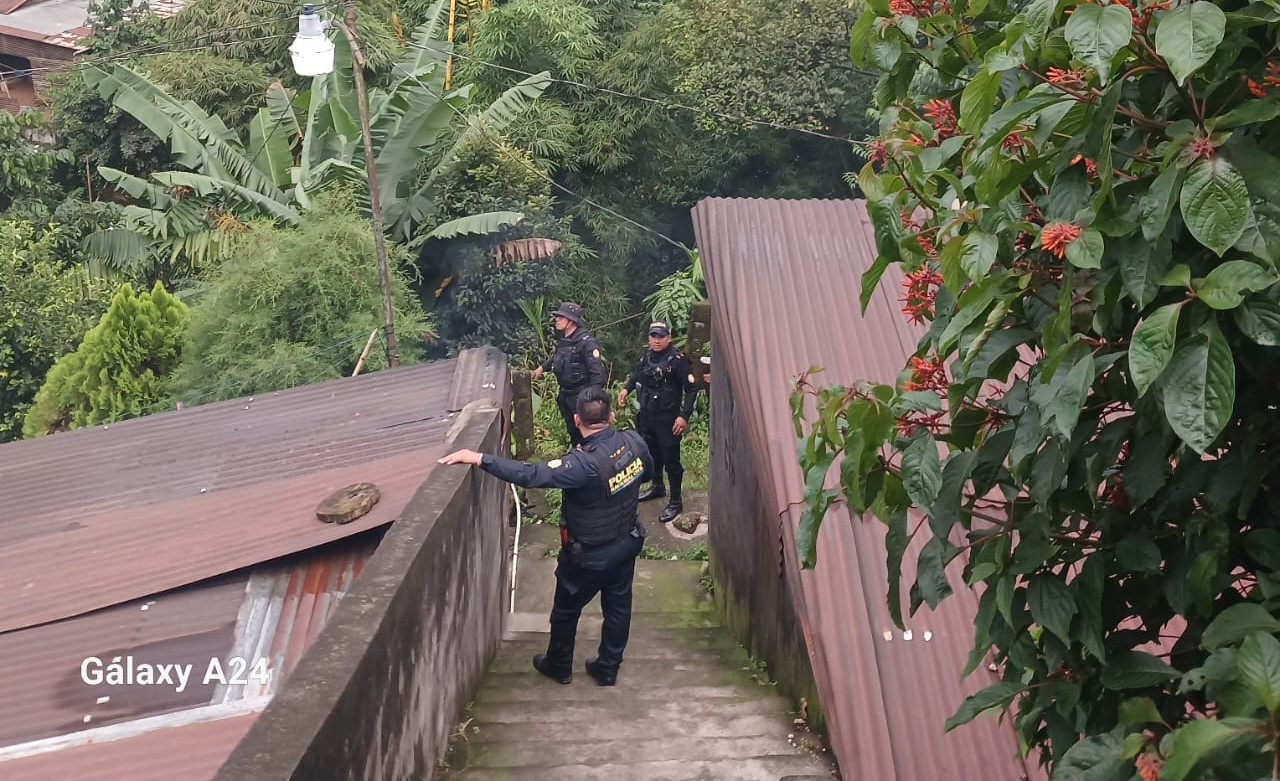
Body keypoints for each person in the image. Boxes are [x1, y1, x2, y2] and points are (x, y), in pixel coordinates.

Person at [438, 387, 651, 687]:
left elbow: (532, 475)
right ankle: (608, 667)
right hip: (626, 542)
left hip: (588, 555)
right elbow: (648, 474)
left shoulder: (582, 466)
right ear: (611, 416)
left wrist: (478, 458)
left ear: (577, 420)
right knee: (618, 608)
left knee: (566, 610)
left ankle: (559, 665)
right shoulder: (633, 442)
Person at [618, 320, 699, 524]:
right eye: (653, 336)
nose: (656, 340)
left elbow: (691, 390)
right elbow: (637, 374)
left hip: (668, 419)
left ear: (668, 337)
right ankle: (657, 487)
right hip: (647, 415)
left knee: (671, 461)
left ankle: (676, 501)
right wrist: (626, 389)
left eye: (660, 336)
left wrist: (684, 416)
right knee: (652, 455)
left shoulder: (678, 360)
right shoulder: (647, 356)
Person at [533, 302, 606, 448]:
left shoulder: (586, 343)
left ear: (571, 321)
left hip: (580, 395)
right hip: (565, 395)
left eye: (561, 317)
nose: (557, 320)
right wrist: (542, 368)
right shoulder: (565, 340)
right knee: (573, 432)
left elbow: (598, 375)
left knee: (587, 434)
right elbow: (557, 357)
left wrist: (591, 400)